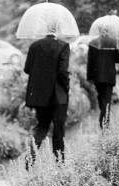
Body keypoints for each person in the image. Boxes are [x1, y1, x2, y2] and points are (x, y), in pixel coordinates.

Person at [24, 24, 70, 159]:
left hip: (40, 96)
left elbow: (27, 69)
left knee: (41, 128)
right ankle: (59, 163)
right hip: (58, 95)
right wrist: (66, 88)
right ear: (57, 31)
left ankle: (29, 161)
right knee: (59, 130)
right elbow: (63, 71)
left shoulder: (34, 46)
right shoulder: (63, 45)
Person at [87, 41, 119, 129]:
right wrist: (117, 47)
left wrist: (89, 78)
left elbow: (90, 61)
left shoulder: (93, 43)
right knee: (105, 101)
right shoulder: (112, 43)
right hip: (108, 76)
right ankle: (104, 123)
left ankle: (103, 122)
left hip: (97, 77)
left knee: (102, 100)